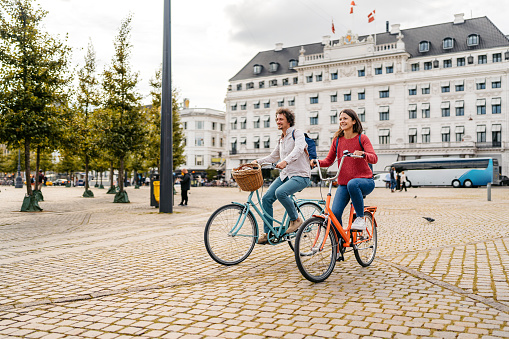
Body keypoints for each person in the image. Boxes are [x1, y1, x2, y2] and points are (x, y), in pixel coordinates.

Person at [311, 109, 377, 231]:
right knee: (335, 214)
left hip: (365, 182)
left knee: (353, 183)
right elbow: (329, 160)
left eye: (345, 118)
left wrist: (363, 154)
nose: (342, 121)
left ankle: (360, 218)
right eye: (340, 119)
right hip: (344, 184)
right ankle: (339, 245)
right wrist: (317, 162)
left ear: (353, 121)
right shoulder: (337, 140)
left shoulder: (362, 138)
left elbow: (374, 158)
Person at [253, 108, 311, 244]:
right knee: (266, 198)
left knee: (281, 192)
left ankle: (296, 220)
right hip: (285, 176)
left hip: (300, 175)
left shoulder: (298, 134)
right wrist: (257, 161)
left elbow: (298, 149)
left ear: (288, 121)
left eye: (281, 119)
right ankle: (268, 233)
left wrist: (286, 161)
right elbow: (273, 156)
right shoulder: (281, 139)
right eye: (277, 119)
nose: (278, 122)